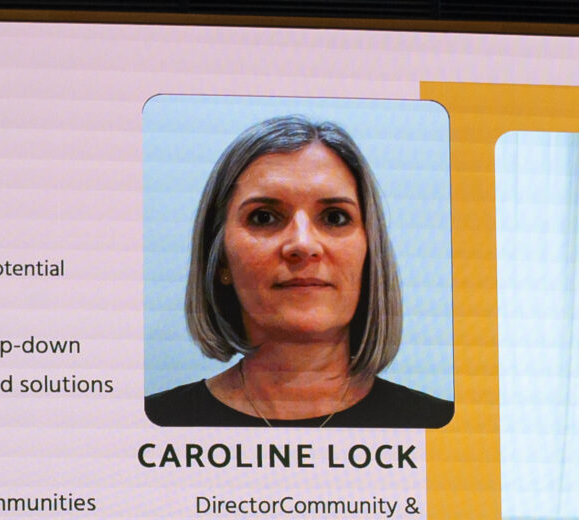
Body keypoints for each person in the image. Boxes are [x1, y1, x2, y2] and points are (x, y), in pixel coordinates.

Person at [144, 115, 453, 429]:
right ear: (220, 258)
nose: (303, 244)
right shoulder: (156, 425)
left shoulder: (440, 428)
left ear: (370, 252)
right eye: (264, 217)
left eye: (334, 218)